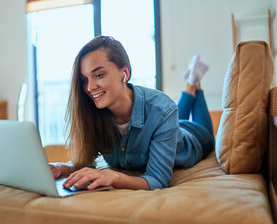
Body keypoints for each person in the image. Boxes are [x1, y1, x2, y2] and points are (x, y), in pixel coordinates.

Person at [49, 36, 215, 191]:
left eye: (99, 75)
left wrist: (112, 176)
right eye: (84, 80)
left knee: (202, 130)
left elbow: (157, 179)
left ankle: (194, 83)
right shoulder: (94, 112)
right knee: (173, 117)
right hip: (171, 125)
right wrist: (62, 168)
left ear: (125, 73)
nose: (89, 87)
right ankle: (192, 81)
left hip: (195, 138)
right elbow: (86, 162)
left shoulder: (162, 109)